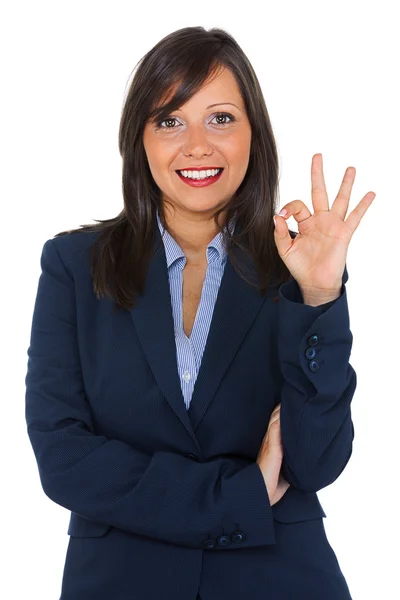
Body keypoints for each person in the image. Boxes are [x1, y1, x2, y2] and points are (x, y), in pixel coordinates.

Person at [25, 26, 375, 600]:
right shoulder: (73, 266)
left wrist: (319, 298)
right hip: (119, 581)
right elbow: (63, 458)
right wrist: (237, 493)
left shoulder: (297, 263)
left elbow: (315, 465)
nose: (196, 145)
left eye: (220, 118)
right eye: (169, 120)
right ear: (138, 138)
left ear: (253, 136)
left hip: (278, 579)